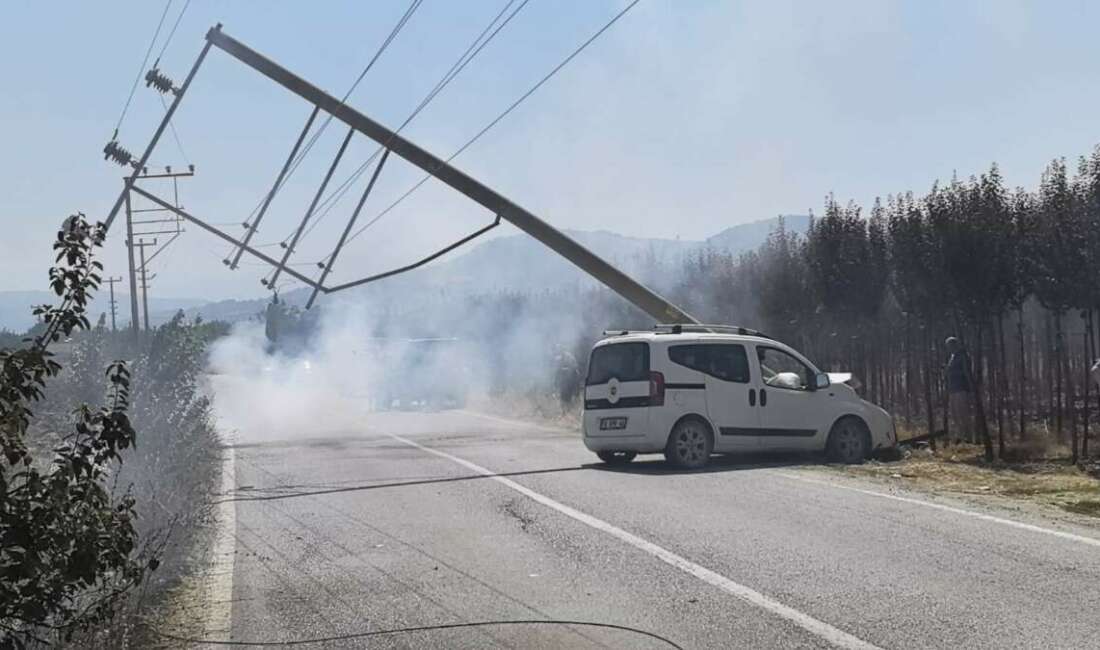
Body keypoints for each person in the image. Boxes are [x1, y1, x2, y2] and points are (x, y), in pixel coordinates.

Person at [945, 337, 974, 444]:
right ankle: (960, 436)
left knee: (963, 414)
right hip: (952, 389)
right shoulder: (952, 357)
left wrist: (970, 388)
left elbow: (967, 372)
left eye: (950, 346)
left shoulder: (963, 356)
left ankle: (968, 437)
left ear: (955, 345)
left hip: (961, 389)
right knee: (955, 414)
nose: (948, 348)